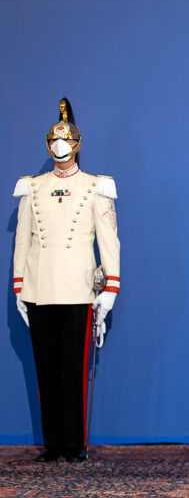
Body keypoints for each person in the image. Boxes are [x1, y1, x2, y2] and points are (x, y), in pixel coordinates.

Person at [13, 98, 120, 462]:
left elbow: (109, 241)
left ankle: (74, 443)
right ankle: (53, 443)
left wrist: (109, 291)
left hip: (77, 289)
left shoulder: (96, 186)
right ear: (48, 143)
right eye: (54, 141)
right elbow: (22, 240)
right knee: (45, 368)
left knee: (74, 369)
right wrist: (19, 287)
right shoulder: (33, 187)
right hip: (39, 289)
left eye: (67, 140)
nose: (60, 147)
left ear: (77, 145)